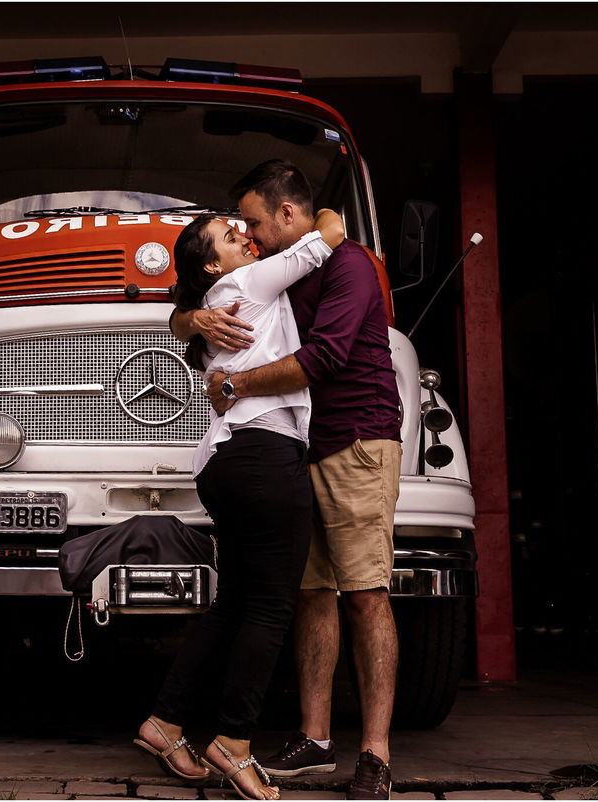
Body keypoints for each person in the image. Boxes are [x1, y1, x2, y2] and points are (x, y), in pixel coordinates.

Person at [170, 160, 403, 801]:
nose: (247, 233)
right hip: (294, 450)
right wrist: (192, 321)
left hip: (356, 441)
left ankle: (376, 753)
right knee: (312, 594)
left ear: (287, 214)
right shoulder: (275, 269)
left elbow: (322, 358)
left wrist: (232, 386)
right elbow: (192, 305)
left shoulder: (347, 265)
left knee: (365, 594)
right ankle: (314, 737)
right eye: (237, 228)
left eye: (251, 222)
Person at [135, 208, 345, 801]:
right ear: (211, 265)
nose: (246, 237)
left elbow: (181, 317)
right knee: (272, 610)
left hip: (224, 460)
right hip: (265, 453)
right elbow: (330, 231)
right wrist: (308, 213)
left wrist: (188, 316)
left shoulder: (217, 301)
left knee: (232, 605)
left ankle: (165, 722)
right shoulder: (250, 281)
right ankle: (233, 741)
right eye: (232, 236)